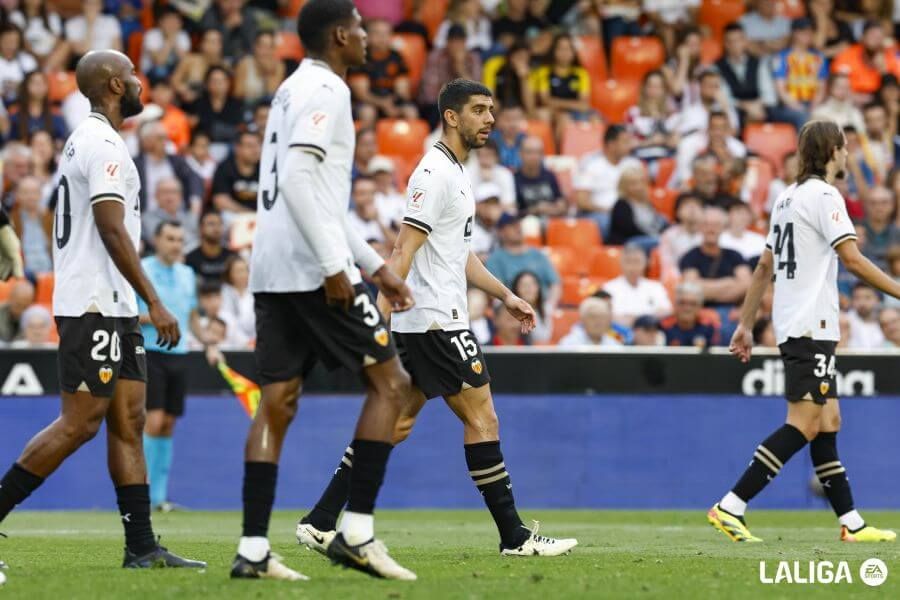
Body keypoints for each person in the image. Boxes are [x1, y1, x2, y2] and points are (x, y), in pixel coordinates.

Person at [297, 78, 576, 561]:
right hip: (436, 321)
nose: (490, 119)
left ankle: (320, 521)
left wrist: (505, 294)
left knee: (397, 423)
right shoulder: (433, 174)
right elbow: (403, 247)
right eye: (479, 110)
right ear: (451, 116)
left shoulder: (454, 172)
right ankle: (515, 536)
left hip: (426, 319)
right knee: (483, 417)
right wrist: (377, 319)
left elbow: (457, 253)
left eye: (491, 109)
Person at [233, 0, 417, 581]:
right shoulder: (328, 90)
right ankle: (356, 532)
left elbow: (318, 197)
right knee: (391, 383)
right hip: (312, 269)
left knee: (277, 401)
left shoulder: (290, 90)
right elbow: (297, 179)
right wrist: (337, 267)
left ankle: (254, 551)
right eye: (361, 29)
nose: (367, 38)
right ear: (340, 35)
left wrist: (374, 265)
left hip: (273, 265)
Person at [0, 50, 204, 569]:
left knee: (128, 419)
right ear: (115, 85)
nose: (140, 82)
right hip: (94, 302)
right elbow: (111, 227)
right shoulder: (103, 144)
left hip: (112, 304)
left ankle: (141, 547)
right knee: (80, 423)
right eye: (133, 75)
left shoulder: (85, 141)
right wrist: (154, 300)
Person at [709, 119, 899, 544]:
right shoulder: (826, 196)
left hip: (800, 324)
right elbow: (851, 259)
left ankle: (851, 523)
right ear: (832, 151)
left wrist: (744, 324)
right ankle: (731, 505)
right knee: (804, 422)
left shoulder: (786, 199)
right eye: (845, 147)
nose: (848, 154)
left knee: (828, 419)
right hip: (810, 324)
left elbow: (764, 266)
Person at [139, 221, 206, 512]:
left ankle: (159, 497)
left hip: (179, 353)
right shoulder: (142, 269)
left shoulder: (187, 273)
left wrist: (209, 342)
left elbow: (191, 316)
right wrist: (155, 319)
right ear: (157, 240)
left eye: (180, 239)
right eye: (170, 238)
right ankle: (142, 492)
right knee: (152, 422)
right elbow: (129, 313)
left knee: (167, 424)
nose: (176, 244)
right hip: (151, 351)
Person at [680, 206, 752, 310]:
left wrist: (706, 288)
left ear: (723, 228)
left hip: (732, 312)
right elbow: (691, 289)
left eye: (716, 225)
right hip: (701, 312)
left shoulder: (735, 255)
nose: (711, 229)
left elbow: (747, 285)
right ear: (700, 228)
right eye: (706, 224)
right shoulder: (690, 257)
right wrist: (729, 282)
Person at [574, 125, 641, 235]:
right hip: (599, 213)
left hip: (629, 212)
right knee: (606, 222)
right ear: (611, 145)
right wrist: (612, 211)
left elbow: (643, 194)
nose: (630, 146)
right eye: (625, 142)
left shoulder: (634, 164)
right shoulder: (590, 164)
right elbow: (582, 201)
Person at [486, 213, 561, 308]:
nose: (517, 228)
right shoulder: (495, 259)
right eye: (511, 226)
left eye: (518, 224)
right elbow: (494, 293)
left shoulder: (538, 255)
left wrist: (549, 306)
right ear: (501, 232)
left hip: (540, 308)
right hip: (512, 310)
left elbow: (555, 284)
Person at [348, 18, 415, 119]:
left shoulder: (397, 58)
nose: (382, 38)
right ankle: (366, 135)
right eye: (377, 33)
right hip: (366, 103)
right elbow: (361, 94)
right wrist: (383, 104)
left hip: (391, 102)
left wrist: (392, 104)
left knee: (410, 111)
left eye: (386, 33)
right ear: (368, 37)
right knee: (368, 112)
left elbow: (403, 91)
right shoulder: (360, 57)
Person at [771, 18, 828, 130]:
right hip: (790, 106)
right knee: (803, 117)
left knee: (824, 116)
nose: (808, 35)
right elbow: (781, 90)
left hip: (813, 104)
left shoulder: (819, 57)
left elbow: (821, 88)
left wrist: (813, 107)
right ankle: (804, 147)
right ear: (794, 33)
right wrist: (799, 107)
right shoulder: (782, 57)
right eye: (804, 32)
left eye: (811, 31)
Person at [603, 245, 672, 327]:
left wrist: (637, 320)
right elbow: (608, 316)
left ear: (646, 263)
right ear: (621, 263)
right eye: (628, 262)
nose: (633, 267)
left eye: (637, 261)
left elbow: (667, 310)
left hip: (651, 331)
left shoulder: (656, 287)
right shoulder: (608, 288)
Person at [607, 166, 667, 249]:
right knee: (660, 242)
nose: (639, 186)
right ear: (624, 186)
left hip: (650, 238)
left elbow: (657, 224)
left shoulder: (647, 203)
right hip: (628, 243)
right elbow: (630, 230)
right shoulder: (621, 205)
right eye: (633, 183)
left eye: (641, 182)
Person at [211, 130, 262, 218]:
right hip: (235, 217)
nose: (255, 150)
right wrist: (250, 215)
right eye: (250, 146)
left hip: (261, 218)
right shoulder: (224, 168)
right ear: (237, 148)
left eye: (257, 145)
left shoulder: (264, 169)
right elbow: (220, 201)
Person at [141, 177, 199, 252]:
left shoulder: (190, 218)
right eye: (165, 192)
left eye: (174, 192)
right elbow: (157, 243)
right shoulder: (146, 219)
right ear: (156, 196)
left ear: (181, 196)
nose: (170, 197)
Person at [514, 135, 566, 217]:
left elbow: (561, 204)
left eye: (538, 152)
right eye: (529, 152)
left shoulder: (550, 175)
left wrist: (550, 209)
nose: (534, 157)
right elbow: (513, 212)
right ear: (520, 154)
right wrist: (536, 210)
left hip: (552, 221)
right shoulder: (514, 179)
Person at [9, 175, 51, 273]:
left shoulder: (50, 219)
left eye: (34, 192)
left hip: (50, 272)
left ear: (41, 194)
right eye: (25, 192)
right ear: (17, 195)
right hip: (24, 274)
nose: (30, 197)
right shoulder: (12, 220)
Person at [233, 30, 285, 107]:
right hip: (246, 108)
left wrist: (267, 72)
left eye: (270, 47)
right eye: (262, 46)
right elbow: (237, 93)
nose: (266, 51)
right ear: (255, 47)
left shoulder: (279, 66)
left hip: (269, 108)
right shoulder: (244, 63)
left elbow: (273, 94)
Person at [660, 281, 719, 347]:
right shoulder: (663, 326)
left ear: (700, 307)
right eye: (682, 303)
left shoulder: (708, 327)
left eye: (692, 304)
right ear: (675, 304)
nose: (687, 308)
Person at [658, 192, 704, 275]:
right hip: (679, 280)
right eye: (687, 205)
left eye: (696, 205)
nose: (692, 210)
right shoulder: (669, 236)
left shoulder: (709, 234)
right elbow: (667, 267)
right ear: (678, 212)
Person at [185, 210, 236, 283]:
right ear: (201, 228)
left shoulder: (232, 256)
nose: (216, 228)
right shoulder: (189, 259)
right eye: (211, 224)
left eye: (219, 224)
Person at [467, 139, 516, 210]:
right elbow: (465, 205)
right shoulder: (468, 173)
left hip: (500, 217)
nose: (483, 160)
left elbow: (510, 206)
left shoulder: (505, 174)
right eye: (480, 155)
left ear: (496, 157)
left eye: (488, 155)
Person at [558, 296, 623, 347]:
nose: (598, 321)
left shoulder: (614, 344)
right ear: (583, 319)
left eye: (602, 317)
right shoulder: (568, 344)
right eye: (593, 316)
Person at [512, 270, 551, 343]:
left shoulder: (547, 309)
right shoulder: (507, 312)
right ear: (515, 289)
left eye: (532, 284)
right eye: (523, 285)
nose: (528, 288)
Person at [847, 282, 885, 349]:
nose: (862, 303)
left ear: (878, 299)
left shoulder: (887, 322)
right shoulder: (844, 322)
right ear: (851, 300)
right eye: (857, 298)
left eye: (867, 298)